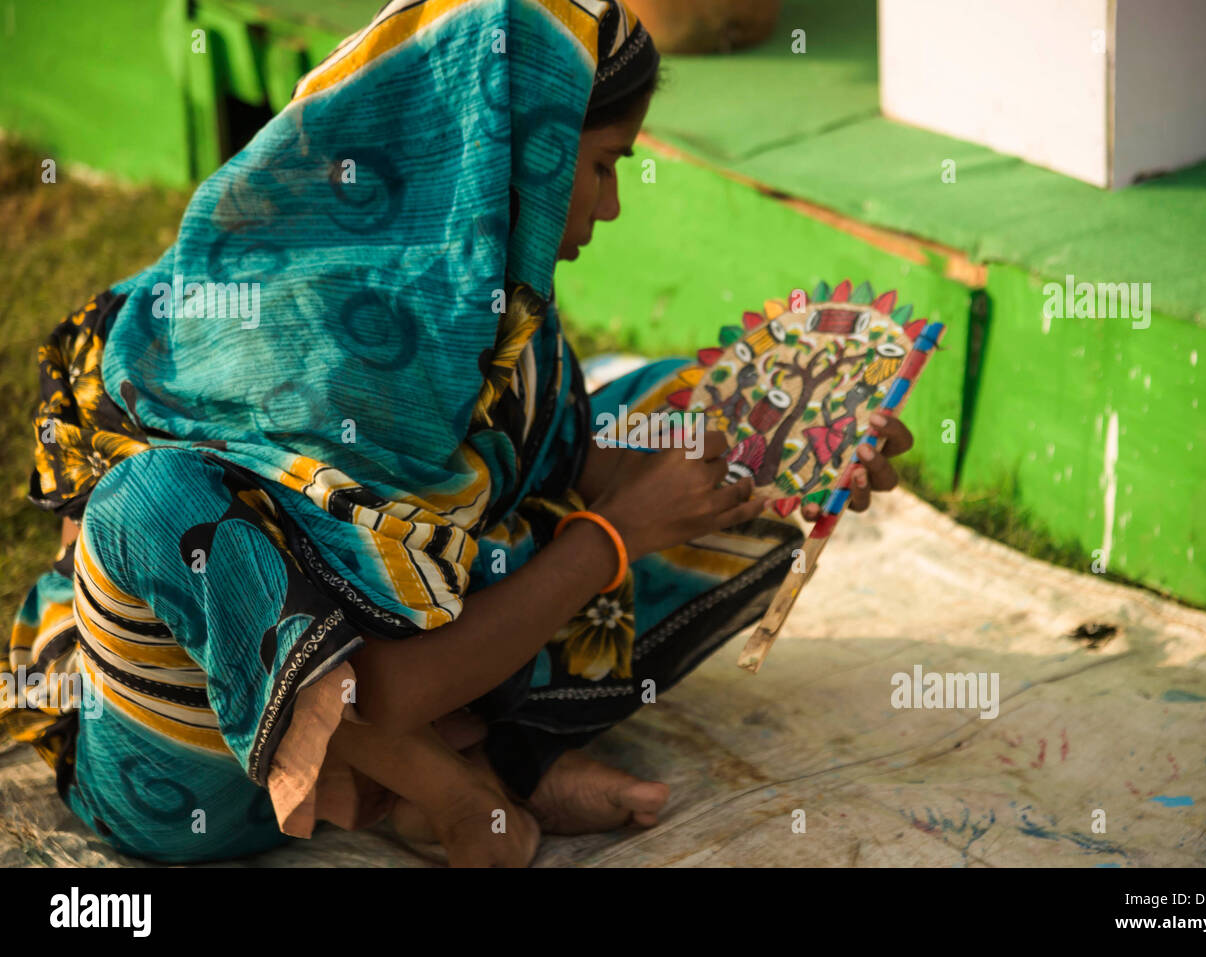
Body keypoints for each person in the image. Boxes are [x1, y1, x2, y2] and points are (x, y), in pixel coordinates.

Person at [1, 0, 913, 867]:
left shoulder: (499, 331)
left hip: (403, 714)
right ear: (517, 160)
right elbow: (380, 690)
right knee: (153, 503)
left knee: (719, 431)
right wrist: (615, 538)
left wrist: (801, 443)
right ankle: (451, 785)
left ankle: (482, 772)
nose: (610, 205)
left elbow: (583, 456)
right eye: (602, 166)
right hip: (180, 776)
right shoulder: (271, 330)